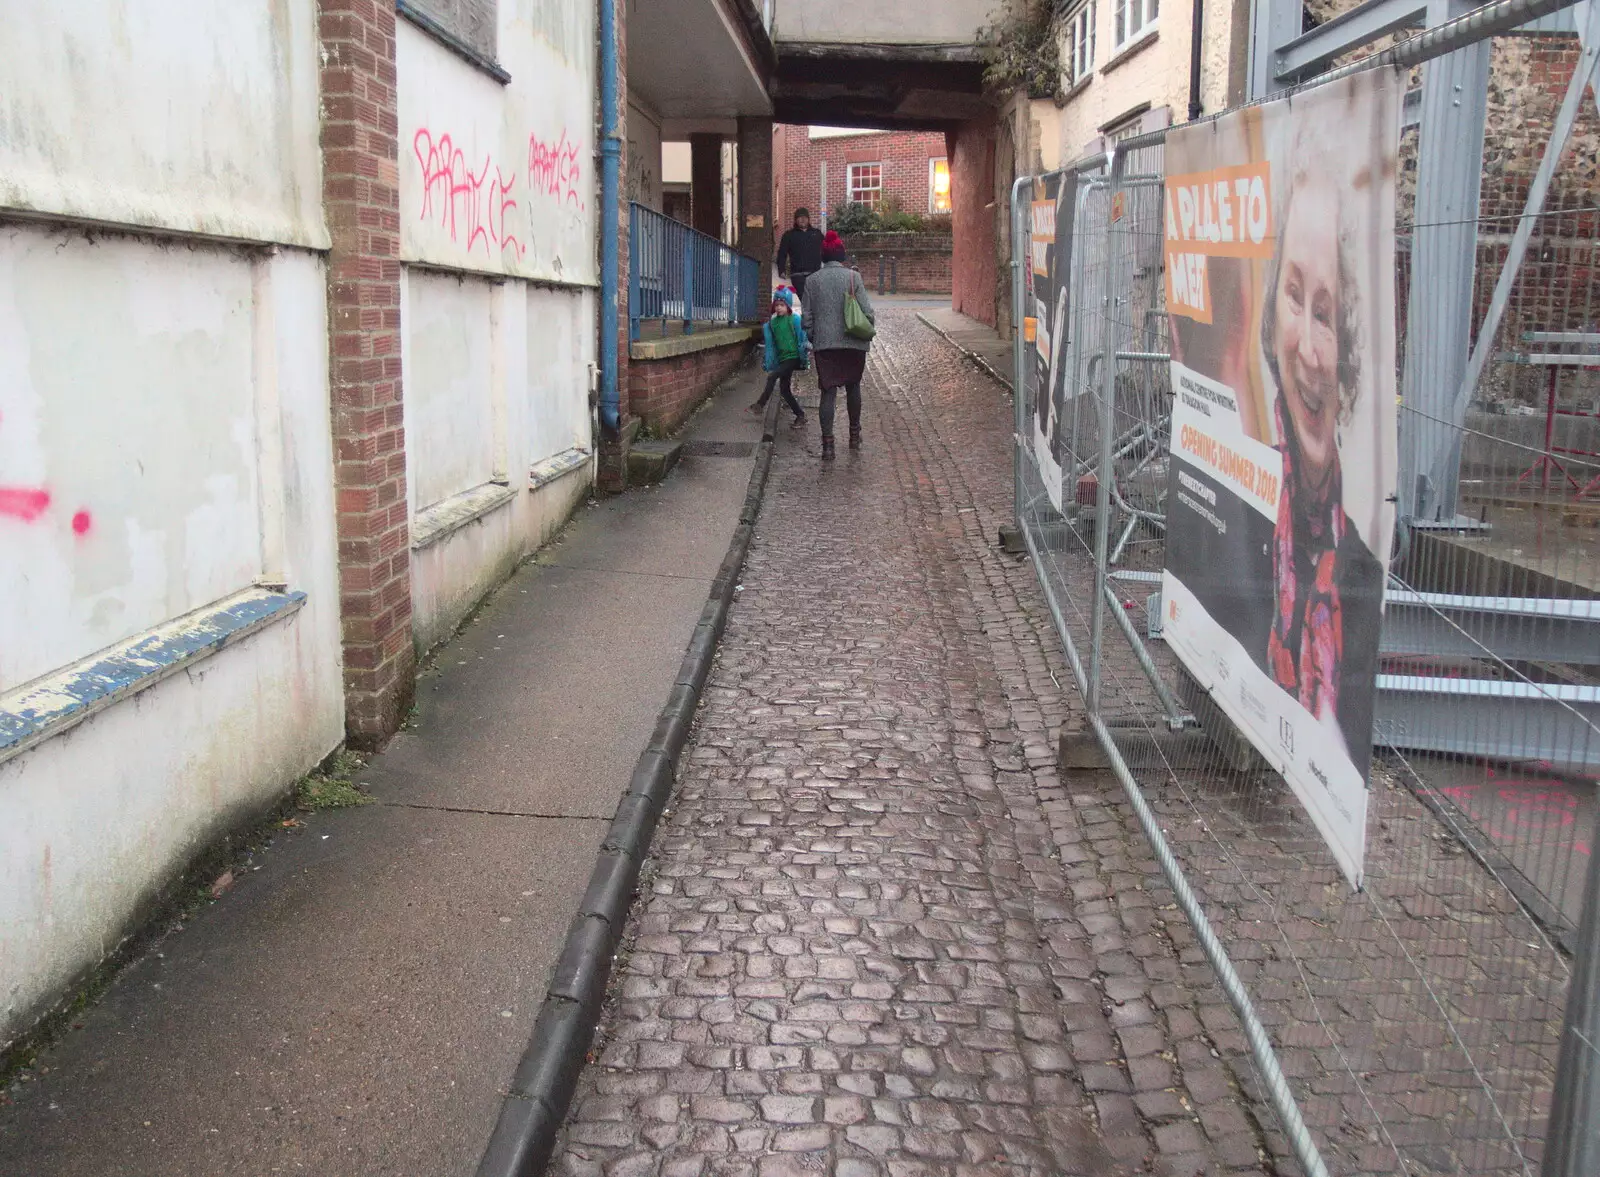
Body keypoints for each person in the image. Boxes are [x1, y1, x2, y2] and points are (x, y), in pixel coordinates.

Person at [1257, 157, 1384, 763]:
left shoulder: (1364, 581)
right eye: (1294, 296)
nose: (1306, 347)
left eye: (1328, 315)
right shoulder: (1237, 511)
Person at [801, 231, 875, 461]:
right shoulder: (854, 278)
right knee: (854, 387)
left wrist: (817, 337)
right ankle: (854, 436)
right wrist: (866, 327)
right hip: (853, 343)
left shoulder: (811, 281)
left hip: (825, 345)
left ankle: (828, 446)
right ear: (842, 255)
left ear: (823, 256)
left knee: (828, 393)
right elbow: (868, 312)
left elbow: (806, 320)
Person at [750, 292, 808, 428]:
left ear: (788, 306)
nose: (779, 308)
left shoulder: (794, 319)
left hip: (793, 357)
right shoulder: (772, 323)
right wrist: (769, 361)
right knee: (784, 390)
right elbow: (771, 345)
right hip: (782, 359)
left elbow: (802, 337)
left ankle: (760, 404)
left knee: (772, 377)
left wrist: (804, 354)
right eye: (776, 305)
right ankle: (800, 415)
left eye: (782, 305)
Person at [776, 208, 824, 301]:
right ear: (795, 220)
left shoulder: (817, 234)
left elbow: (826, 249)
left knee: (815, 301)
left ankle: (809, 315)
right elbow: (782, 253)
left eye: (805, 217)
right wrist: (781, 269)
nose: (803, 219)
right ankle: (807, 315)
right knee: (805, 301)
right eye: (800, 217)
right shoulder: (789, 235)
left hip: (815, 274)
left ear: (808, 219)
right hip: (798, 275)